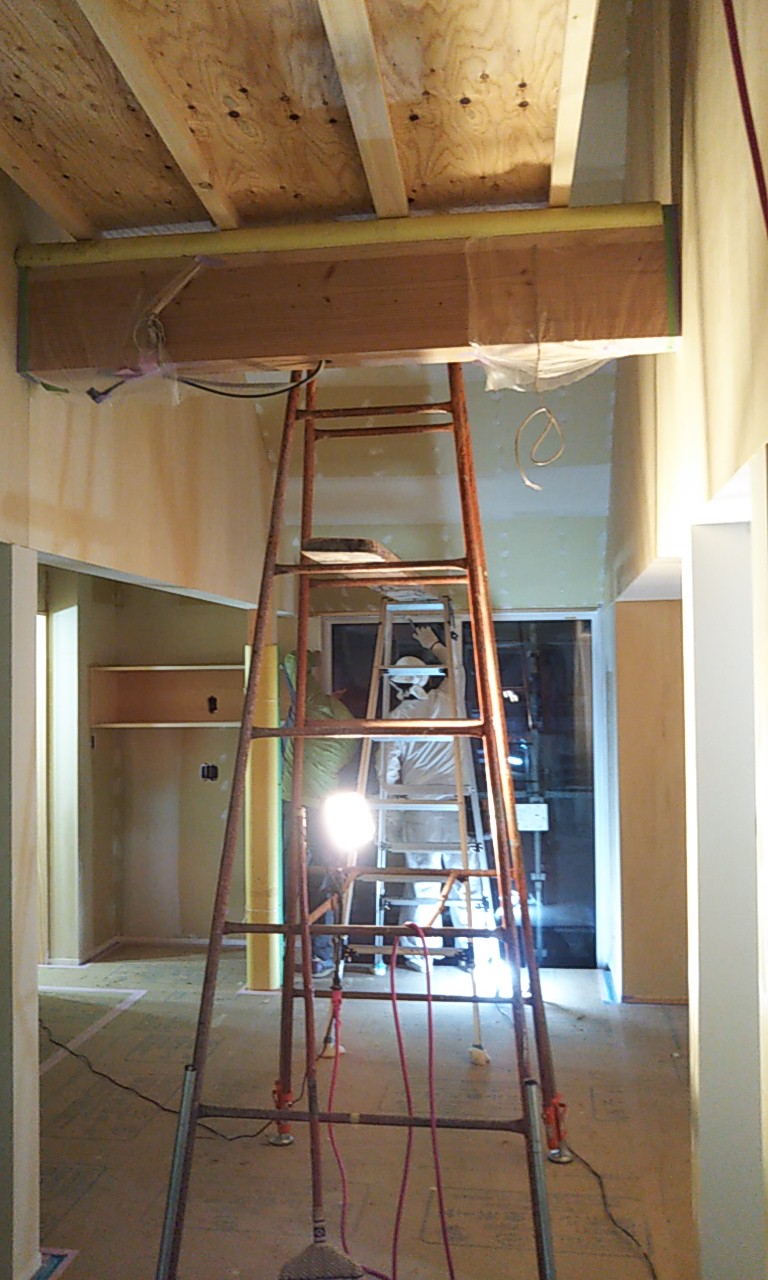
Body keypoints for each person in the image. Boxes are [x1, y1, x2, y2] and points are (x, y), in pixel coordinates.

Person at [376, 624, 490, 972]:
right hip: (455, 807)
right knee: (465, 881)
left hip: (419, 810)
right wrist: (435, 644)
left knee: (425, 885)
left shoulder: (395, 720)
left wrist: (390, 819)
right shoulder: (449, 702)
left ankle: (421, 953)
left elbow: (387, 775)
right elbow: (457, 668)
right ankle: (479, 950)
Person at [281, 651, 356, 977]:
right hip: (325, 807)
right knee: (322, 881)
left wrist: (313, 656)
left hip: (293, 802)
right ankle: (322, 956)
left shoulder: (315, 704)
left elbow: (290, 660)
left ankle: (279, 953)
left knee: (284, 877)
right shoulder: (351, 727)